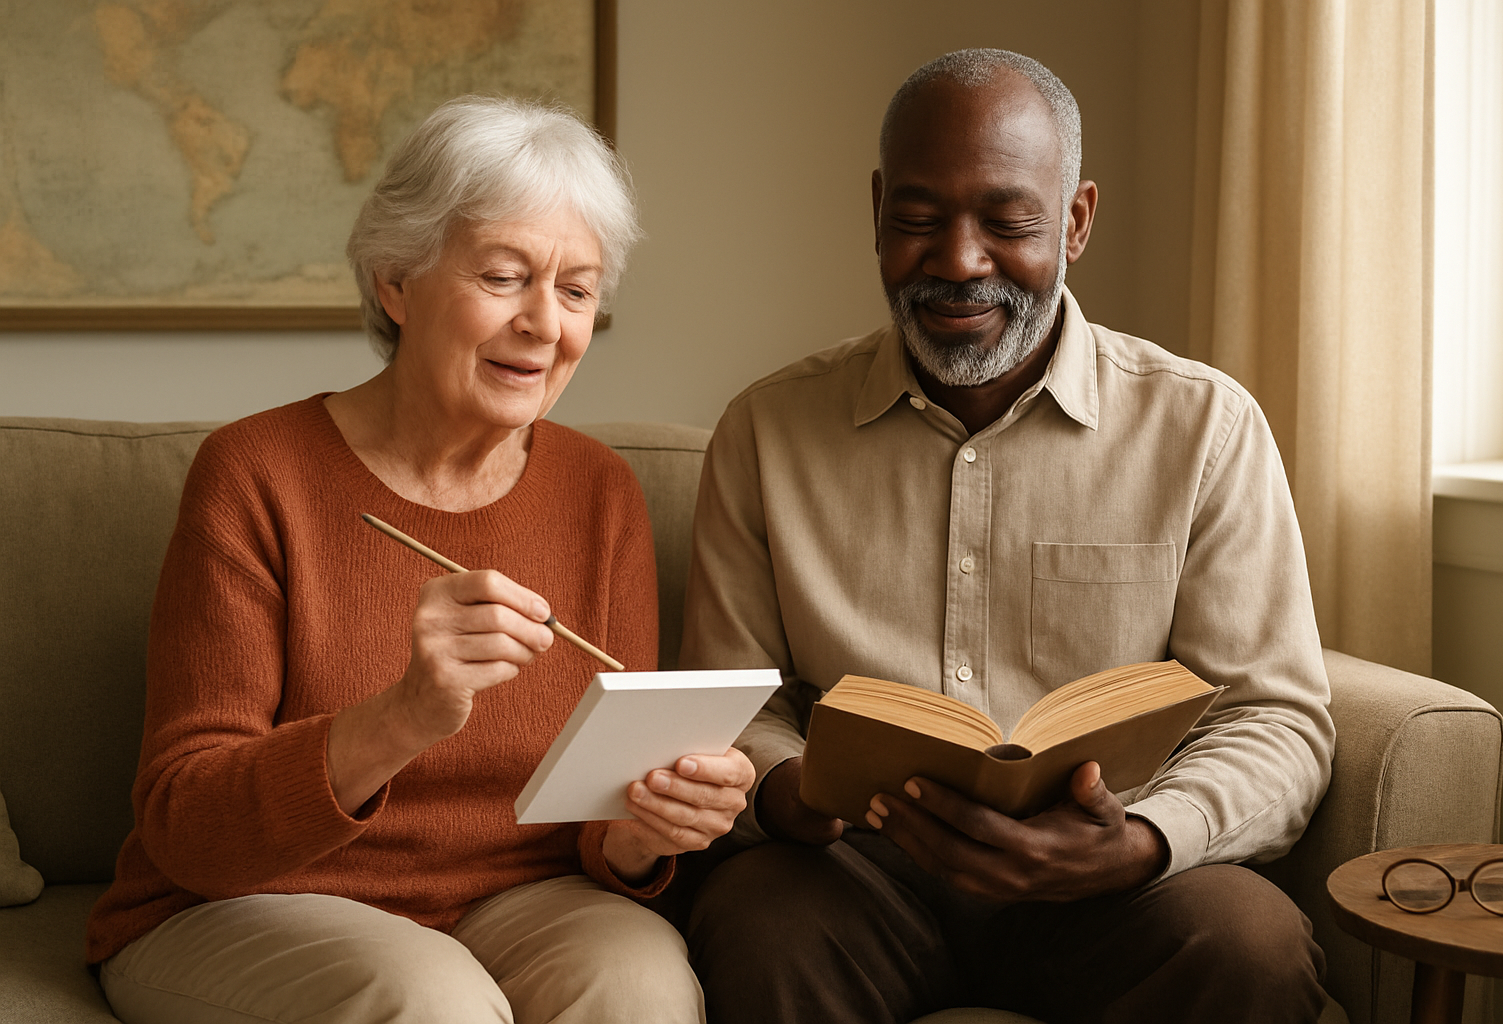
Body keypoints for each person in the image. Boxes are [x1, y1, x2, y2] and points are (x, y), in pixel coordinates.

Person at [680, 49, 1334, 1024]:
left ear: (1075, 220)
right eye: (917, 218)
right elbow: (726, 701)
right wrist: (790, 791)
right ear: (875, 211)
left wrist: (1148, 838)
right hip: (856, 876)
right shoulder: (766, 430)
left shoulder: (1205, 427)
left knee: (1253, 943)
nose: (958, 259)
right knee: (754, 918)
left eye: (1007, 220)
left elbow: (1276, 718)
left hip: (1113, 882)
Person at [86, 96, 753, 1024]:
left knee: (640, 983)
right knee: (429, 1001)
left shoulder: (601, 491)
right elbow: (188, 827)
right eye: (504, 275)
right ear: (396, 282)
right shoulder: (255, 472)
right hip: (253, 898)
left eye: (576, 289)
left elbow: (605, 829)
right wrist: (403, 715)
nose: (544, 324)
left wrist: (650, 826)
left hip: (520, 901)